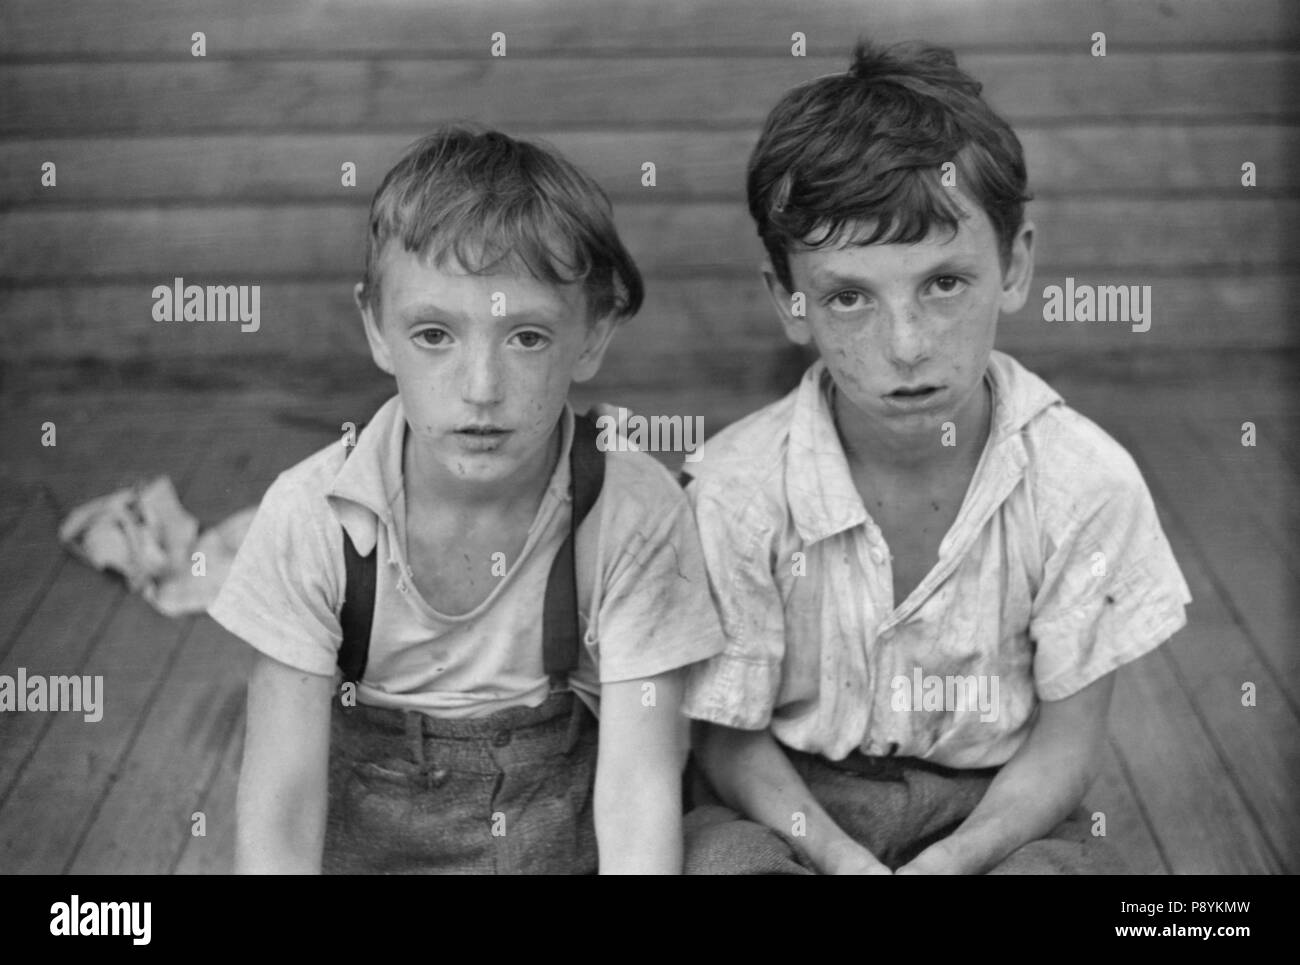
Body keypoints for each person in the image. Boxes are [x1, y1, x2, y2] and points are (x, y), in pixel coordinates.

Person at [680, 40, 1192, 874]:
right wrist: (842, 859)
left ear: (1016, 265)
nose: (907, 346)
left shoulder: (1084, 484)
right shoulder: (735, 492)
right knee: (717, 862)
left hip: (996, 804)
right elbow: (727, 744)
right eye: (850, 297)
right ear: (789, 301)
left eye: (945, 283)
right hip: (792, 809)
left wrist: (956, 860)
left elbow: (1067, 744)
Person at [210, 125, 725, 874]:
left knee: (733, 856)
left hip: (561, 851)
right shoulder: (310, 517)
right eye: (433, 334)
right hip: (370, 856)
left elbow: (638, 784)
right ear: (376, 330)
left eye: (526, 337)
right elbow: (282, 804)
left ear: (591, 338)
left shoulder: (633, 509)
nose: (481, 388)